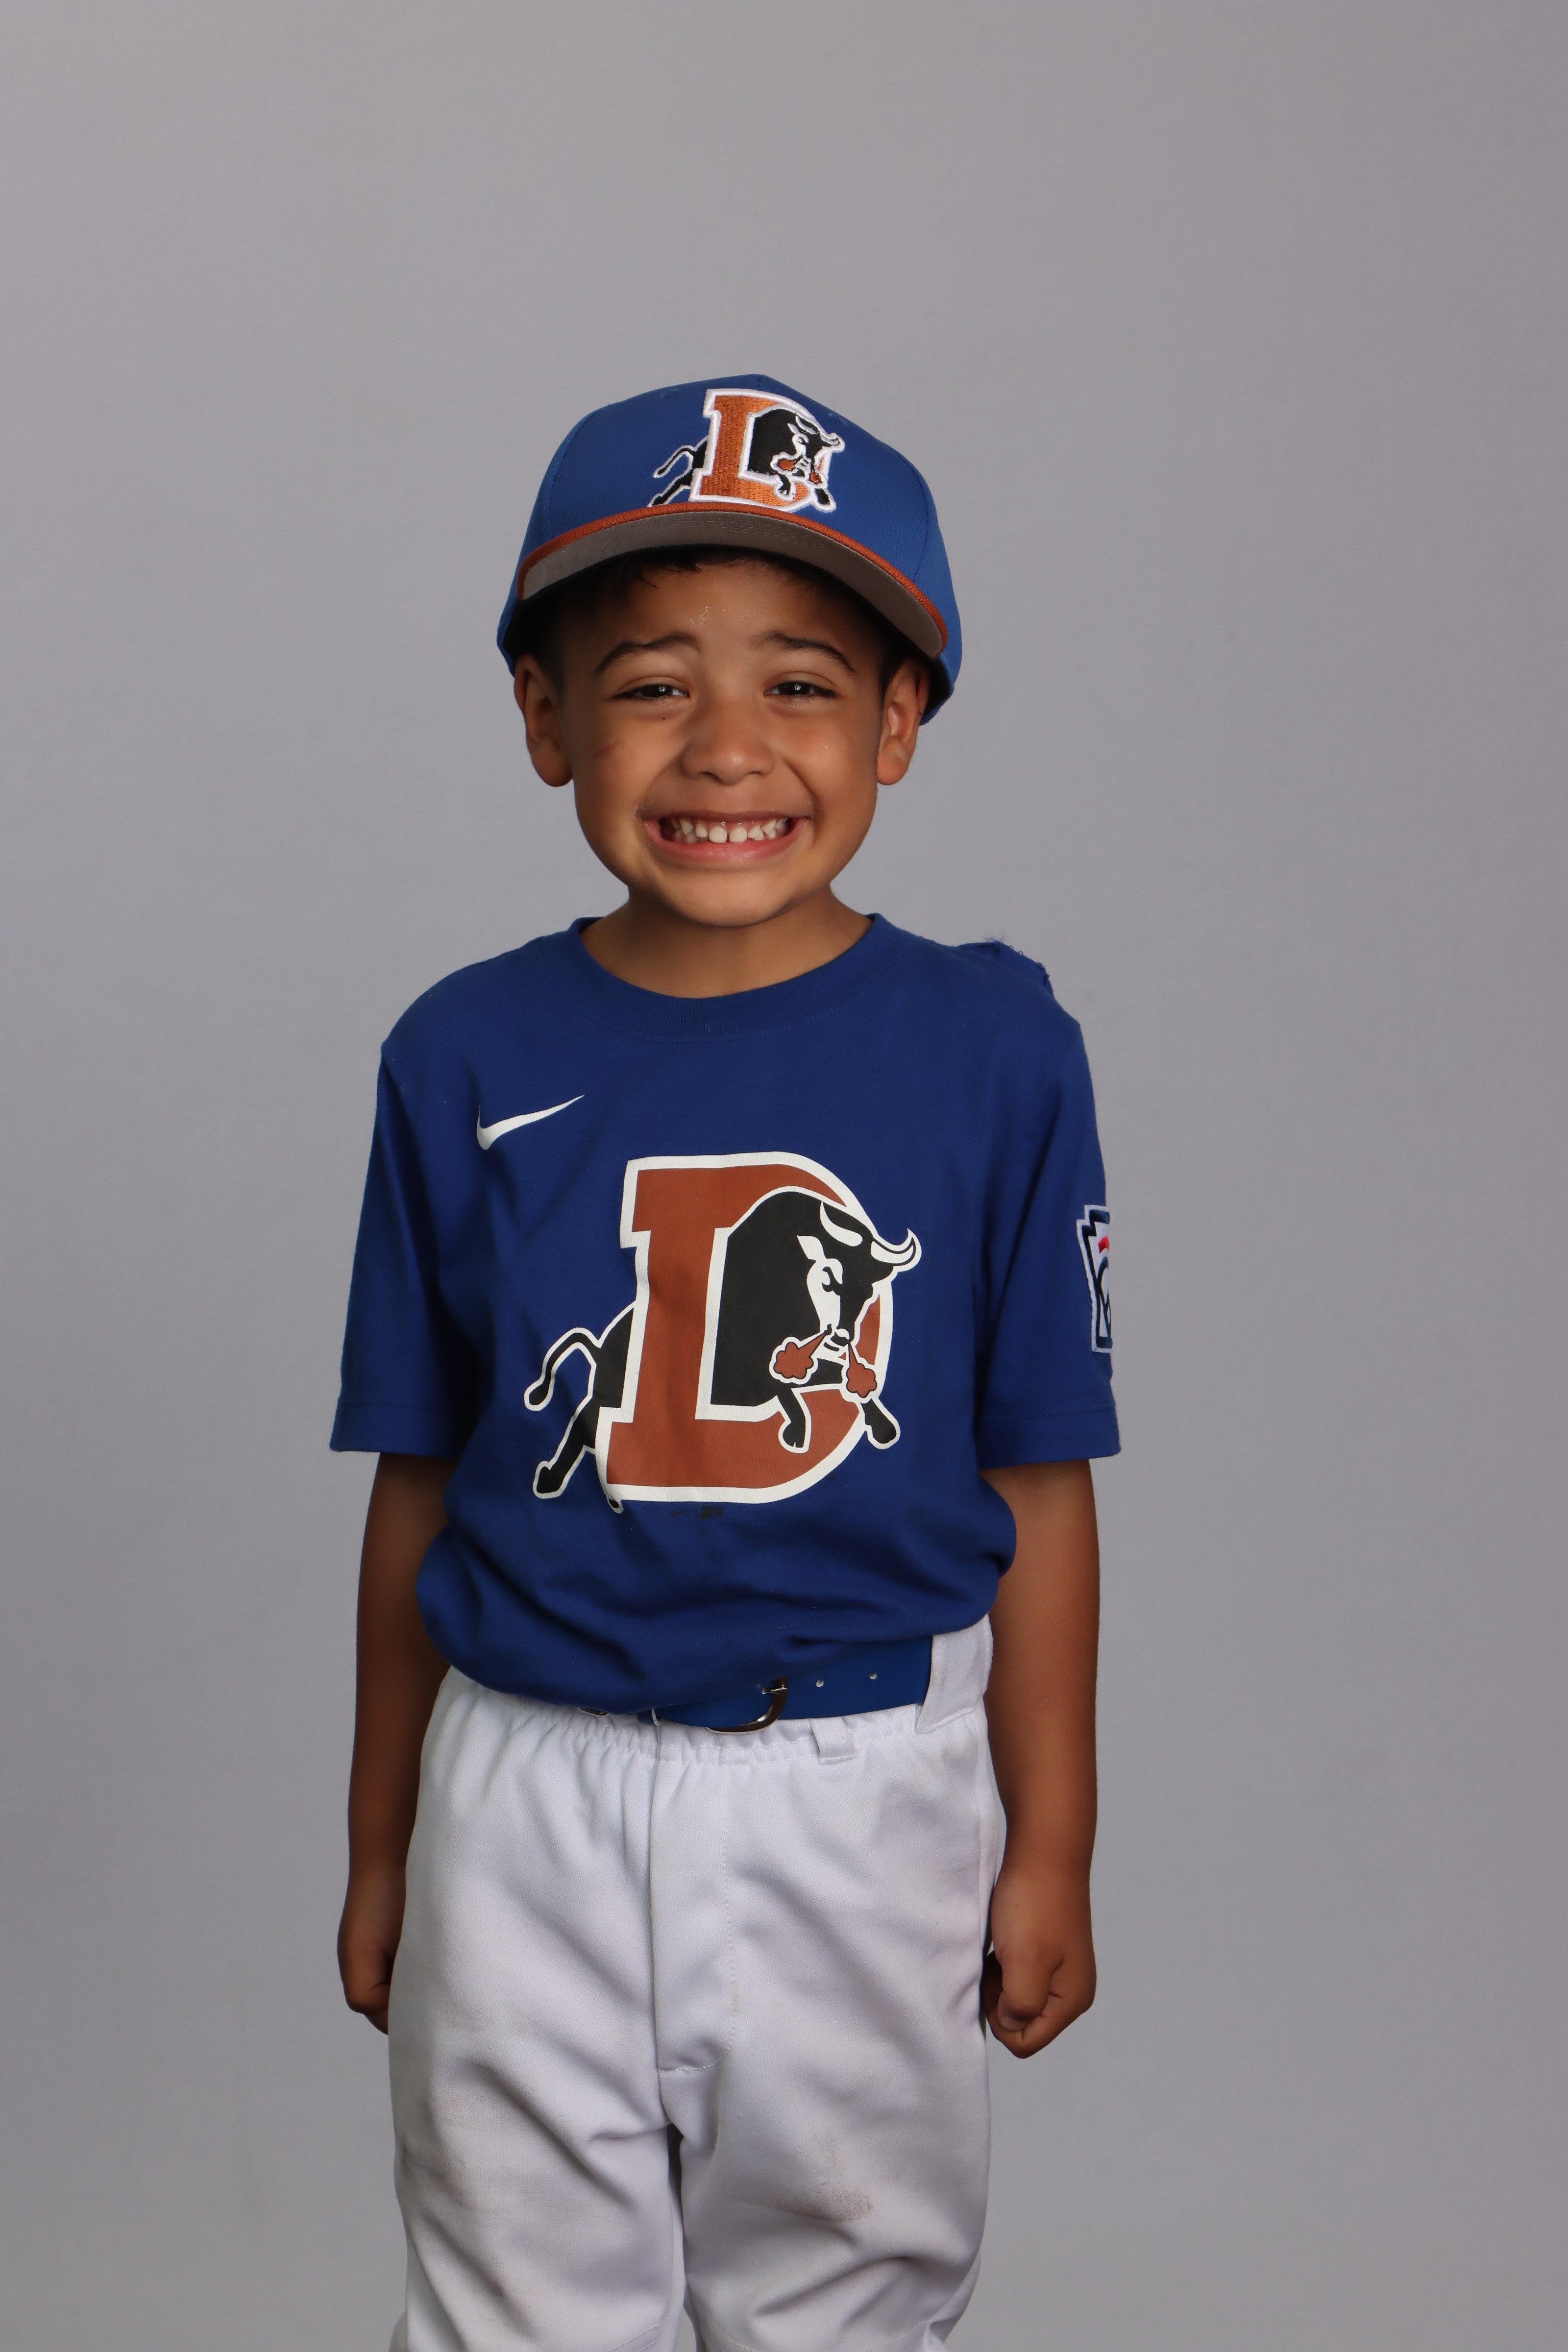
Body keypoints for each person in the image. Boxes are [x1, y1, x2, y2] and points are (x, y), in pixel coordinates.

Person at [332, 374, 1118, 2352]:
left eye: (799, 683)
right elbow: (420, 1480)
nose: (728, 746)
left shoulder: (995, 1053)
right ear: (544, 720)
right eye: (651, 683)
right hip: (524, 1782)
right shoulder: (461, 1053)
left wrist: (1052, 1843)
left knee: (841, 2301)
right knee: (510, 2308)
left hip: (857, 1782)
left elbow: (1036, 1480)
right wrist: (382, 1843)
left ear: (899, 723)